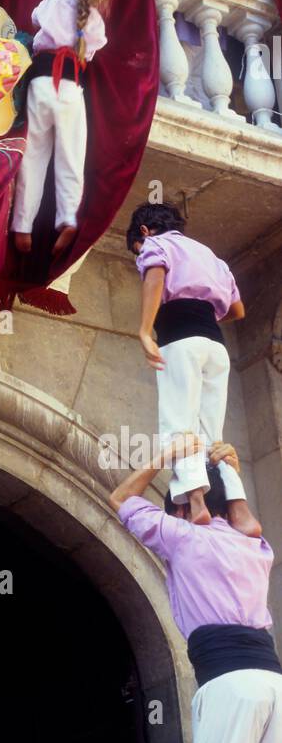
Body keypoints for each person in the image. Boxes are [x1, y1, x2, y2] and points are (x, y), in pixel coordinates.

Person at [110, 440, 280, 743]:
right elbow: (244, 519)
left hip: (229, 686)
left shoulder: (182, 537)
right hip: (275, 687)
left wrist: (163, 458)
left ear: (180, 509)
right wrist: (226, 473)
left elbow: (121, 498)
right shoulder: (257, 548)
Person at [126, 202, 259, 534]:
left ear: (144, 231)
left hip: (179, 342)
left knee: (178, 428)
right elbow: (237, 309)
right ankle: (239, 508)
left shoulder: (157, 244)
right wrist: (204, 314)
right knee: (212, 435)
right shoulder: (211, 257)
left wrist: (144, 330)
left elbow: (155, 276)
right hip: (215, 347)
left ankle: (197, 501)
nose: (138, 257)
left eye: (135, 251)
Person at [11, 0, 111, 256]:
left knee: (34, 154)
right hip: (71, 88)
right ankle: (67, 216)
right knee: (71, 156)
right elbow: (90, 54)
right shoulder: (95, 19)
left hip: (42, 81)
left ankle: (22, 226)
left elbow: (35, 19)